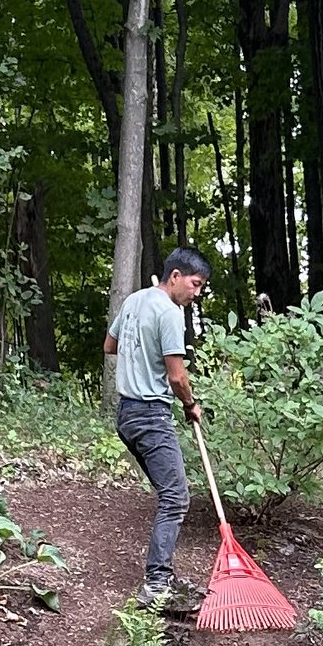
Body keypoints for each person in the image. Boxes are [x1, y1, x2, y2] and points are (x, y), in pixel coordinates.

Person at [104, 247, 209, 612]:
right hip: (151, 417)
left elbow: (110, 345)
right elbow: (177, 375)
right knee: (176, 498)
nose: (196, 293)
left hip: (126, 416)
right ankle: (157, 584)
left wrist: (140, 358)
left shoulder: (134, 300)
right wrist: (190, 405)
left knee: (169, 494)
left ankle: (160, 576)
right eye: (195, 284)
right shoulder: (169, 312)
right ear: (175, 276)